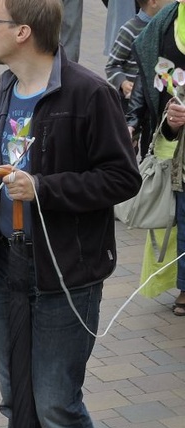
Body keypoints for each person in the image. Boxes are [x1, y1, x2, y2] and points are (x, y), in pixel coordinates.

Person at [0, 0, 141, 428]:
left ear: (23, 31)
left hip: (66, 272)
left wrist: (44, 188)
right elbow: (10, 168)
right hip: (10, 267)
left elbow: (123, 178)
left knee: (56, 407)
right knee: (17, 404)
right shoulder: (4, 88)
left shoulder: (89, 93)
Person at [128, 0, 185, 314]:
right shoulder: (168, 18)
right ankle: (179, 283)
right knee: (167, 219)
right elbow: (151, 71)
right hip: (169, 139)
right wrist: (132, 120)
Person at [105, 0, 171, 114]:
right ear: (153, 2)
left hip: (156, 100)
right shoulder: (130, 29)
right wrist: (123, 83)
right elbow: (112, 65)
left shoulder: (167, 27)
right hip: (131, 102)